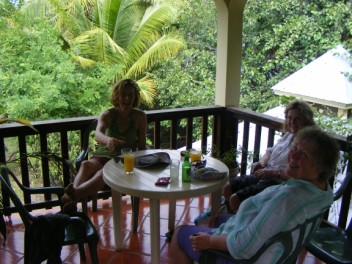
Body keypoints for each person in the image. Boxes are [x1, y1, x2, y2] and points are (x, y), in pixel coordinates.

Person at [170, 126, 339, 263]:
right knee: (215, 219)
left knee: (179, 233)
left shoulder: (288, 200)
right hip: (273, 248)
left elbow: (243, 247)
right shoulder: (323, 192)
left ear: (320, 168)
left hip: (246, 257)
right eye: (294, 148)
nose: (292, 155)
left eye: (303, 154)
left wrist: (209, 242)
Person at [61, 79, 147, 213]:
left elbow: (142, 145)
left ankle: (73, 195)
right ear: (117, 96)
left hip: (123, 160)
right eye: (123, 94)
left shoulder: (140, 117)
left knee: (103, 173)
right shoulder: (108, 114)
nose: (127, 98)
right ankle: (73, 198)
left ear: (135, 97)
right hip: (103, 155)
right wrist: (108, 140)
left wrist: (144, 163)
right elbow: (98, 134)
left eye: (131, 95)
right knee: (85, 165)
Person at [222, 99, 316, 214]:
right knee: (227, 187)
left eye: (297, 119)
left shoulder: (306, 144)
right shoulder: (289, 135)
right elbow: (270, 152)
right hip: (265, 174)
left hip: (278, 183)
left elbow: (300, 177)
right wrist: (261, 162)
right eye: (289, 118)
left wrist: (273, 172)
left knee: (235, 199)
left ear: (306, 121)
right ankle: (230, 218)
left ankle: (238, 224)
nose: (292, 122)